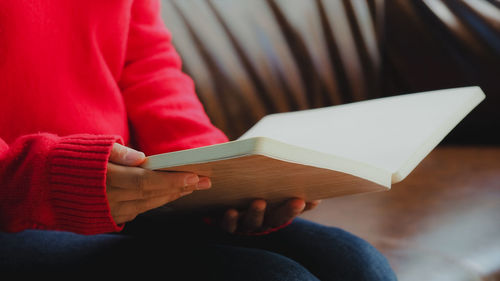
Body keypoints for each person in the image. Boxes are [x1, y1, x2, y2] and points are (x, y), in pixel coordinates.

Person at [0, 0, 397, 279]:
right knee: (271, 277)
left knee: (354, 263)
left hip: (112, 194)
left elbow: (145, 62)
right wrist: (42, 179)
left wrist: (215, 170)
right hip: (17, 206)